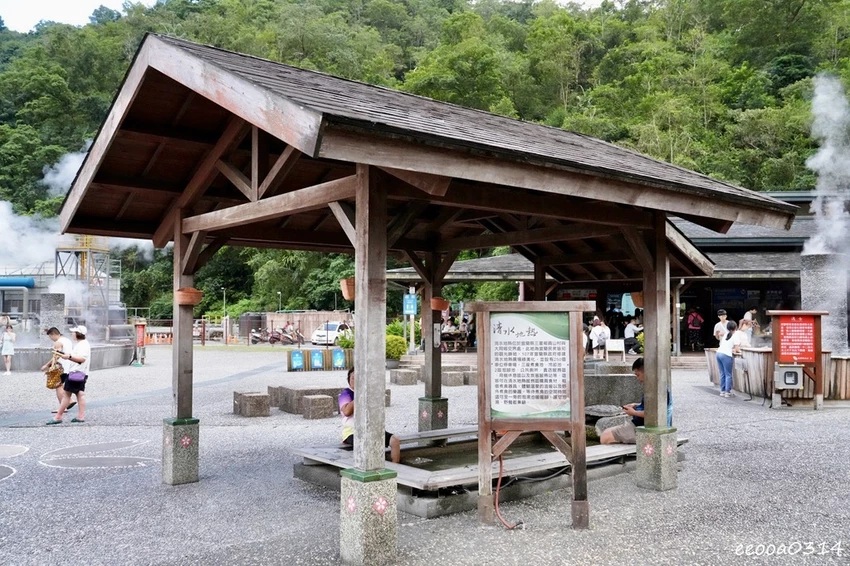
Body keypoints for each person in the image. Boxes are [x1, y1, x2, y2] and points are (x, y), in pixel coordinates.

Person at [600, 358, 673, 444]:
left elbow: (654, 414)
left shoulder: (657, 390)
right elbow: (653, 406)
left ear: (646, 372)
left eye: (637, 375)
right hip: (643, 427)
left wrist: (633, 412)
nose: (638, 379)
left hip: (647, 430)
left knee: (605, 436)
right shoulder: (657, 386)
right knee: (607, 432)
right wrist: (636, 405)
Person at [339, 368, 400, 463]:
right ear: (349, 380)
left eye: (359, 378)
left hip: (370, 429)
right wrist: (359, 395)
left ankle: (396, 468)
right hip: (352, 431)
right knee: (367, 444)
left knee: (395, 441)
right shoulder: (346, 394)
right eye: (353, 378)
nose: (356, 381)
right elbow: (347, 412)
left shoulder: (369, 393)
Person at [46, 325, 91, 425]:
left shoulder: (82, 345)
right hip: (81, 373)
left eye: (74, 332)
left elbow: (82, 359)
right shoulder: (82, 343)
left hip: (76, 372)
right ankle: (80, 416)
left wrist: (69, 357)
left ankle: (58, 417)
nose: (72, 334)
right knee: (80, 394)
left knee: (66, 394)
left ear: (78, 334)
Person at [40, 327, 76, 412]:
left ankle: (64, 406)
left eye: (50, 337)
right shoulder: (67, 340)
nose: (51, 339)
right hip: (68, 366)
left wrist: (47, 365)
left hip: (61, 367)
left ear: (53, 334)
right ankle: (68, 402)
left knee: (58, 386)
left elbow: (56, 355)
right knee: (62, 386)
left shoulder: (58, 343)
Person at [716, 320, 742, 398]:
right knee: (728, 374)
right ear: (736, 328)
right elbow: (737, 349)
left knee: (722, 373)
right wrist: (735, 350)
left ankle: (722, 391)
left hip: (718, 353)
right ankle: (728, 392)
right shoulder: (735, 335)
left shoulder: (726, 334)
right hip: (726, 355)